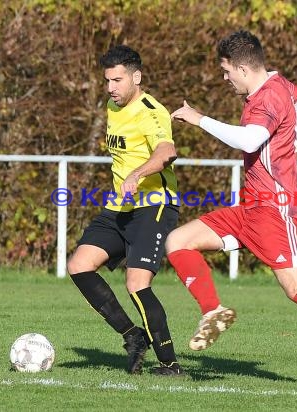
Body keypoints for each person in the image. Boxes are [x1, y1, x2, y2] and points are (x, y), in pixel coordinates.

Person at [166, 30, 297, 390]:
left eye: (226, 71)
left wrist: (200, 119)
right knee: (178, 241)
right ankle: (212, 310)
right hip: (251, 207)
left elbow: (250, 139)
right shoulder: (282, 85)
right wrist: (289, 140)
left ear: (243, 67)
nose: (225, 78)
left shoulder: (263, 99)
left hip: (275, 211)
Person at [67, 45, 183, 376]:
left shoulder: (151, 111)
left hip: (153, 206)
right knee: (79, 265)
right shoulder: (111, 106)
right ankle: (133, 337)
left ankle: (170, 365)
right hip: (120, 206)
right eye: (107, 81)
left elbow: (167, 151)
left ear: (136, 77)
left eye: (117, 80)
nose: (111, 88)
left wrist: (136, 174)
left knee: (136, 283)